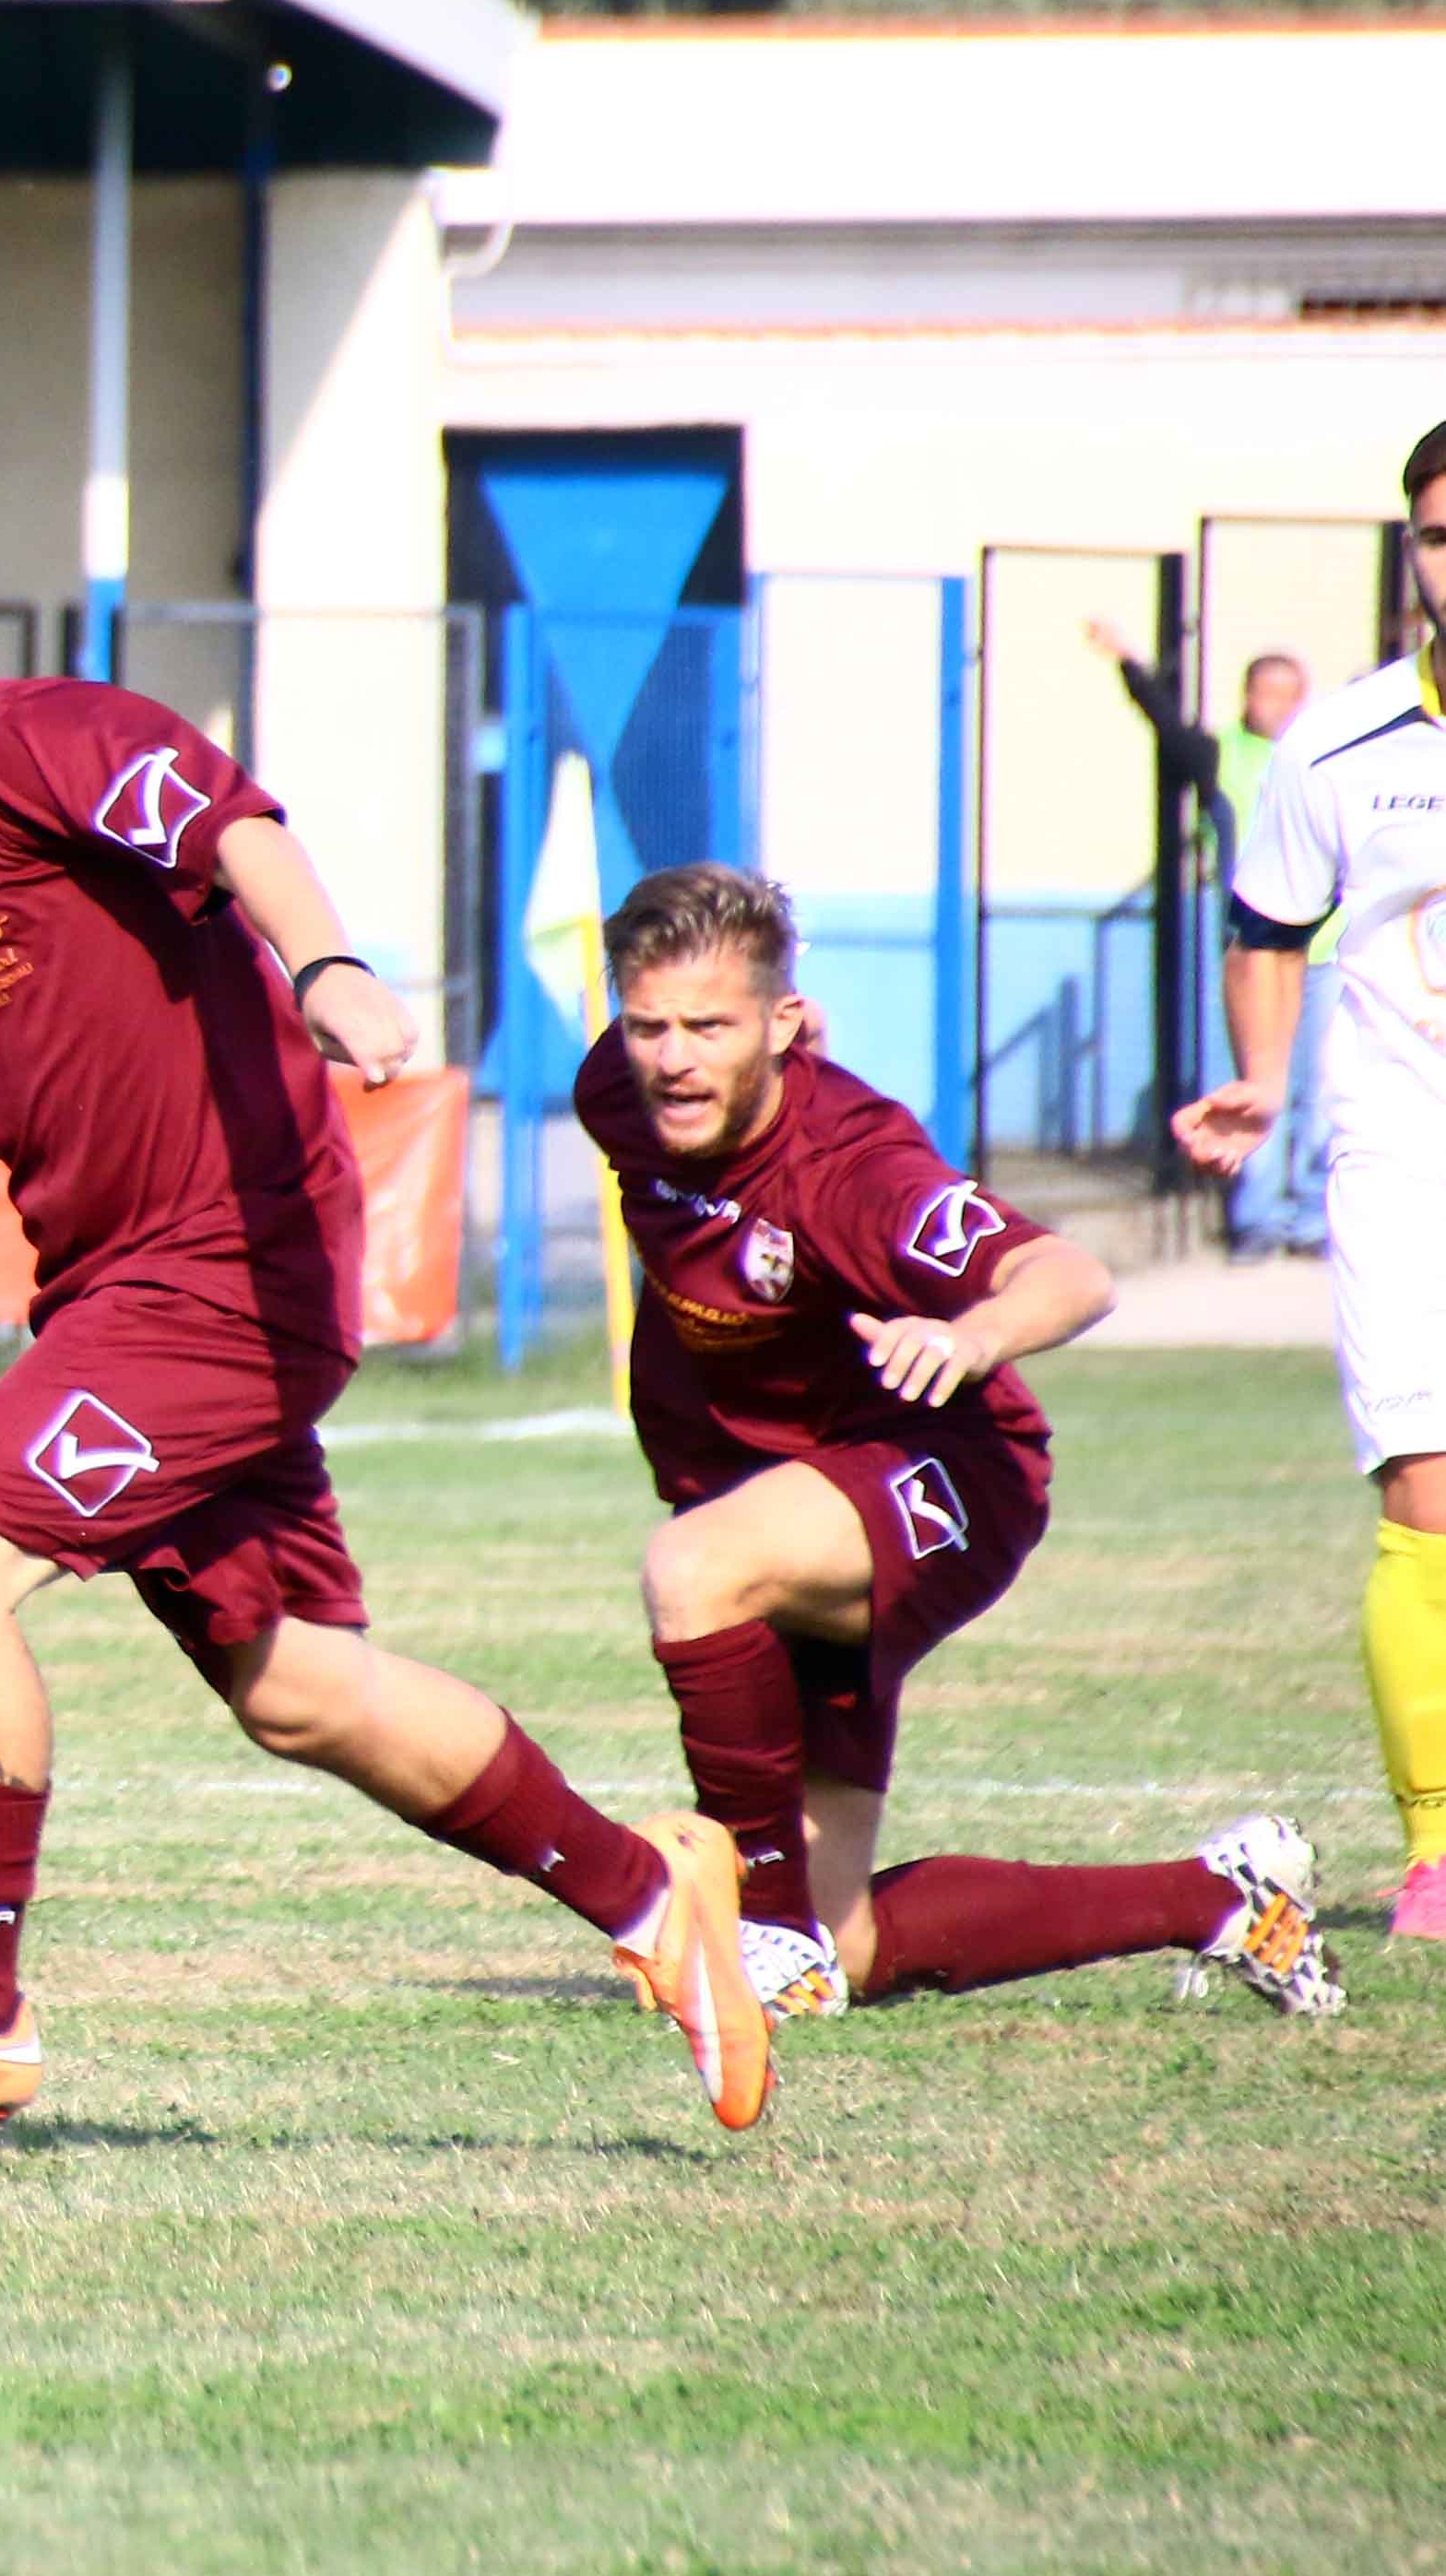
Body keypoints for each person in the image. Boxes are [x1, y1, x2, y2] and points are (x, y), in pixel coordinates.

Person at [0, 500, 776, 2140]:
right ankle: (651, 1896)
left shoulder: (27, 730)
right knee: (295, 1687)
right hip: (127, 1291)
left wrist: (326, 966)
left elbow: (228, 824)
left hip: (219, 1265)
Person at [578, 861, 1339, 2022]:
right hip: (795, 1496)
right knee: (856, 1945)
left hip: (942, 1473)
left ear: (778, 1024)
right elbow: (672, 1069)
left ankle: (761, 1946)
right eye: (649, 1026)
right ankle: (1219, 1897)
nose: (673, 1056)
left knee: (693, 1568)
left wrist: (973, 1331)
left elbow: (1069, 1275)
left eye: (709, 1027)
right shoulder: (620, 1092)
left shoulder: (852, 1173)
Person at [1177, 419, 1446, 1943]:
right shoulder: (1331, 746)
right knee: (1423, 1490)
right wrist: (1262, 1083)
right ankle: (1430, 1854)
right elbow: (1267, 925)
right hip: (1398, 1159)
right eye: (1431, 532)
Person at [1213, 652, 1335, 1259]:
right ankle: (1256, 1220)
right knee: (1260, 1087)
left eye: (1292, 694)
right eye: (1268, 693)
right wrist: (1131, 661)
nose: (1280, 707)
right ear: (1246, 697)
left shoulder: (1329, 756)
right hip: (1259, 948)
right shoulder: (1226, 754)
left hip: (1324, 946)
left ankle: (1311, 1218)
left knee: (1322, 1089)